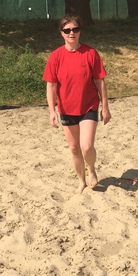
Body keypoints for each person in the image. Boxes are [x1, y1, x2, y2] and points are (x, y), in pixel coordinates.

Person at [43, 14, 111, 193]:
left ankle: (92, 169)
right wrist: (52, 111)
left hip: (89, 106)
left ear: (80, 31)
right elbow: (51, 85)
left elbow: (100, 81)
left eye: (75, 29)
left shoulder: (90, 53)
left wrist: (105, 107)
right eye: (67, 30)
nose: (71, 33)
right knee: (74, 148)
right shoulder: (56, 56)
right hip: (66, 108)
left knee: (86, 146)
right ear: (62, 33)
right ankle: (81, 181)